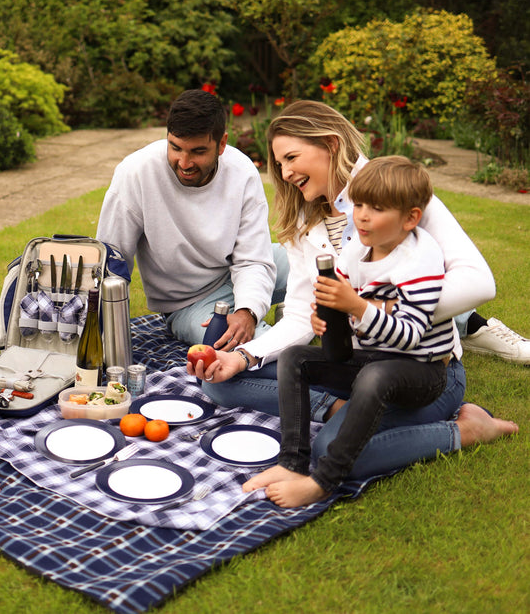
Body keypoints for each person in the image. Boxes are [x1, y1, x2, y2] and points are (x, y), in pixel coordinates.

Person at [190, 100, 518, 480]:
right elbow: (300, 313)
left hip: (420, 372)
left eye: (292, 157)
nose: (285, 171)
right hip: (354, 367)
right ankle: (338, 408)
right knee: (220, 384)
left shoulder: (395, 193)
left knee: (331, 451)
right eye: (279, 163)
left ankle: (466, 429)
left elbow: (479, 281)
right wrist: (244, 357)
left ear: (330, 143)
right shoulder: (306, 219)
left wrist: (371, 309)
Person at [242, 156, 456, 508]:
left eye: (377, 208)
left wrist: (356, 306)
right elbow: (338, 302)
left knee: (374, 376)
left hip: (423, 371)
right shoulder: (357, 248)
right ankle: (292, 463)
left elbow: (411, 336)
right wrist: (322, 318)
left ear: (410, 218)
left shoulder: (420, 258)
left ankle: (324, 481)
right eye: (358, 204)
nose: (362, 216)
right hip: (373, 357)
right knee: (296, 358)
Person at [96, 88, 288, 349]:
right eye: (175, 148)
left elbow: (253, 259)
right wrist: (102, 336)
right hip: (189, 303)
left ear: (222, 144)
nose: (184, 163)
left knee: (328, 266)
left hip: (235, 271)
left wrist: (248, 312)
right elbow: (111, 262)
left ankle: (295, 313)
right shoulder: (136, 173)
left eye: (197, 152)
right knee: (257, 351)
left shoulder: (242, 171)